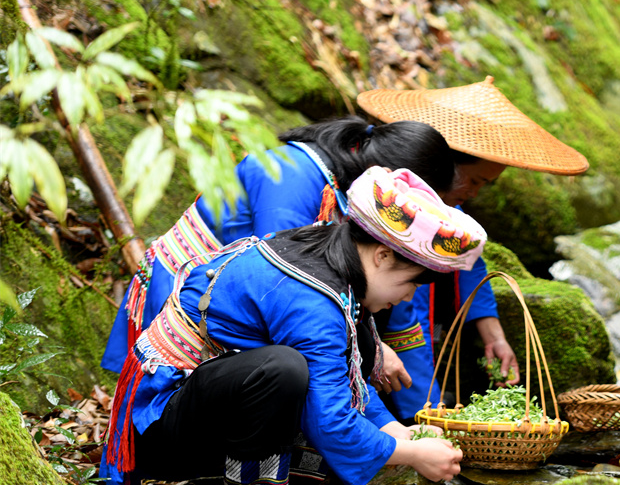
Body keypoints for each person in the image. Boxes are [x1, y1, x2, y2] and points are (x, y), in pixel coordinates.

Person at [100, 167, 484, 485]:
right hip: (158, 430)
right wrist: (412, 453)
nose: (407, 296)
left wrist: (396, 433)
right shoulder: (313, 299)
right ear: (382, 255)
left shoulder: (331, 259)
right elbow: (330, 419)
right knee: (284, 370)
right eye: (411, 284)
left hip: (207, 398)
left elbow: (340, 374)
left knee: (300, 376)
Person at [100, 117, 458, 413]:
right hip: (190, 302)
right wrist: (371, 351)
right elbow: (289, 283)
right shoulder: (294, 176)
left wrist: (425, 410)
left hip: (237, 301)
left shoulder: (341, 181)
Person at [356, 76, 590, 417]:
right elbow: (408, 309)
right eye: (476, 180)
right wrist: (428, 411)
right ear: (439, 165)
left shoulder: (447, 211)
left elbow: (470, 261)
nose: (476, 193)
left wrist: (492, 333)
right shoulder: (400, 219)